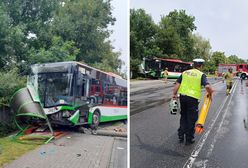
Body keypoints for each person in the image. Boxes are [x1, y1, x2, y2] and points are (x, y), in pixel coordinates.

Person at [172, 58, 214, 145]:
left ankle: (180, 135)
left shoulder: (185, 73)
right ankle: (189, 138)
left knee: (183, 116)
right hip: (192, 99)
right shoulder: (201, 74)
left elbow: (177, 84)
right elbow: (207, 86)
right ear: (201, 66)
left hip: (182, 97)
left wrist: (174, 94)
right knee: (191, 119)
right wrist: (211, 93)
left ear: (194, 65)